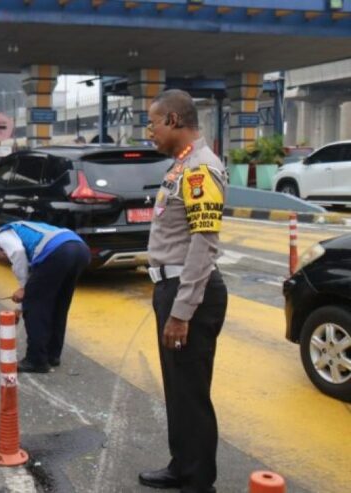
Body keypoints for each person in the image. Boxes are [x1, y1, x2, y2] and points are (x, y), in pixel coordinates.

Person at [139, 89, 228, 493]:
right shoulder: (181, 165)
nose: (149, 131)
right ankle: (182, 466)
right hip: (172, 287)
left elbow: (203, 243)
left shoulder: (199, 169)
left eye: (153, 122)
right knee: (178, 388)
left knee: (191, 392)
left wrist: (181, 311)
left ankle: (198, 482)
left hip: (189, 292)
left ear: (173, 120)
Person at [0, 221, 90, 373]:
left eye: (4, 258)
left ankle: (36, 360)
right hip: (80, 249)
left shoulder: (1, 235)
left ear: (1, 250)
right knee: (59, 305)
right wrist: (19, 309)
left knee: (36, 309)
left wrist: (24, 289)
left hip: (58, 252)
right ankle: (52, 355)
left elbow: (17, 253)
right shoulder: (28, 230)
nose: (7, 261)